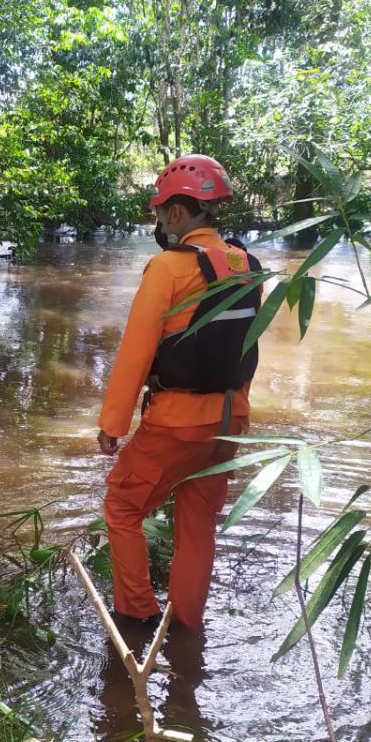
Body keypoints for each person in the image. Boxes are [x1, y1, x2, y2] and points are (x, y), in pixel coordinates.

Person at [97, 154, 260, 632]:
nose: (159, 222)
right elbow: (246, 349)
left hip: (178, 421)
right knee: (197, 524)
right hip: (230, 419)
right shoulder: (248, 266)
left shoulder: (167, 268)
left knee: (122, 506)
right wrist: (237, 411)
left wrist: (113, 424)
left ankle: (137, 615)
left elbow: (136, 352)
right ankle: (187, 628)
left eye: (160, 213)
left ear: (174, 214)